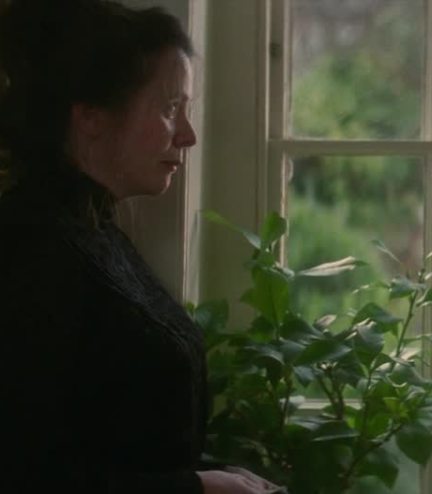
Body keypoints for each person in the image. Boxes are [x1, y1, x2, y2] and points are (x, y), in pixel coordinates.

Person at [0, 1, 282, 492]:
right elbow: (27, 475)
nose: (188, 136)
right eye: (170, 108)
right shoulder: (33, 249)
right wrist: (199, 488)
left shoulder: (95, 233)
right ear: (91, 117)